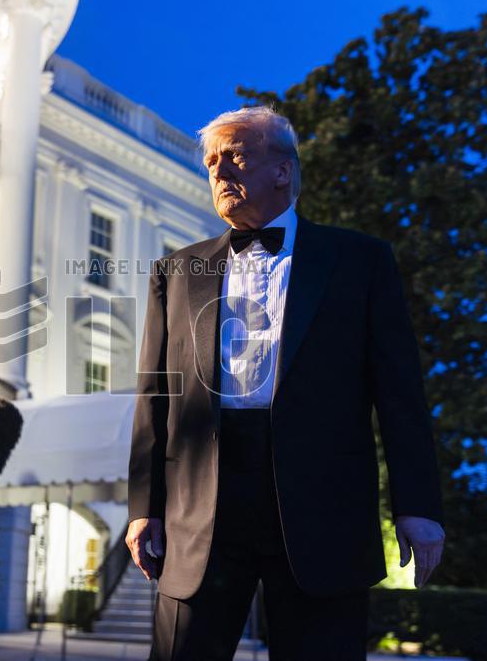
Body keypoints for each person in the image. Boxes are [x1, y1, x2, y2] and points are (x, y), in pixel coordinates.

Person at [126, 105, 446, 660]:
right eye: (211, 162)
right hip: (200, 508)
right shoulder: (174, 272)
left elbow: (399, 395)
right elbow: (155, 397)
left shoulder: (361, 261)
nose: (219, 170)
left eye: (235, 155)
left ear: (282, 170)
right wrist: (142, 505)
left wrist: (416, 506)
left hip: (324, 508)